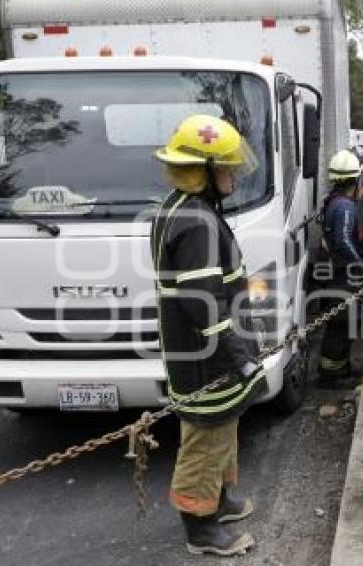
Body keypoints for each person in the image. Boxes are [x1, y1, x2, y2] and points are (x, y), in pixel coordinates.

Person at [152, 115, 267, 556]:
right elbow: (202, 303)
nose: (234, 174)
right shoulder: (196, 221)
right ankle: (200, 528)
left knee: (224, 427)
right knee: (206, 435)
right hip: (205, 356)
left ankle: (219, 501)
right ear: (202, 170)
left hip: (201, 351)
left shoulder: (182, 208)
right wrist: (237, 355)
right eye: (227, 167)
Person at [318, 150, 363, 388]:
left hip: (337, 273)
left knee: (341, 322)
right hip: (345, 276)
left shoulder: (332, 202)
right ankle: (332, 376)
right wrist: (361, 264)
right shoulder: (346, 207)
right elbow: (343, 239)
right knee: (342, 324)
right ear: (355, 180)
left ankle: (340, 368)